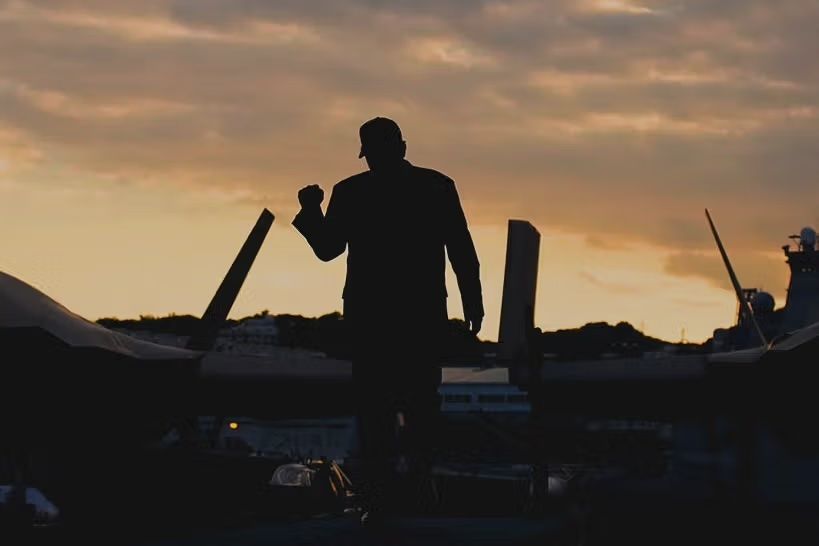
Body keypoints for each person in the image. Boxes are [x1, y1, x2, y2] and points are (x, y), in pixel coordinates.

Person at [293, 116, 483, 522]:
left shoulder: (353, 191)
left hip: (374, 319)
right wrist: (473, 302)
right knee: (415, 405)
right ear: (402, 147)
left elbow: (327, 249)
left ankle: (387, 495)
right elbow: (460, 248)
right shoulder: (435, 186)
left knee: (380, 408)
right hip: (417, 316)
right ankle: (417, 490)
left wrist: (310, 211)